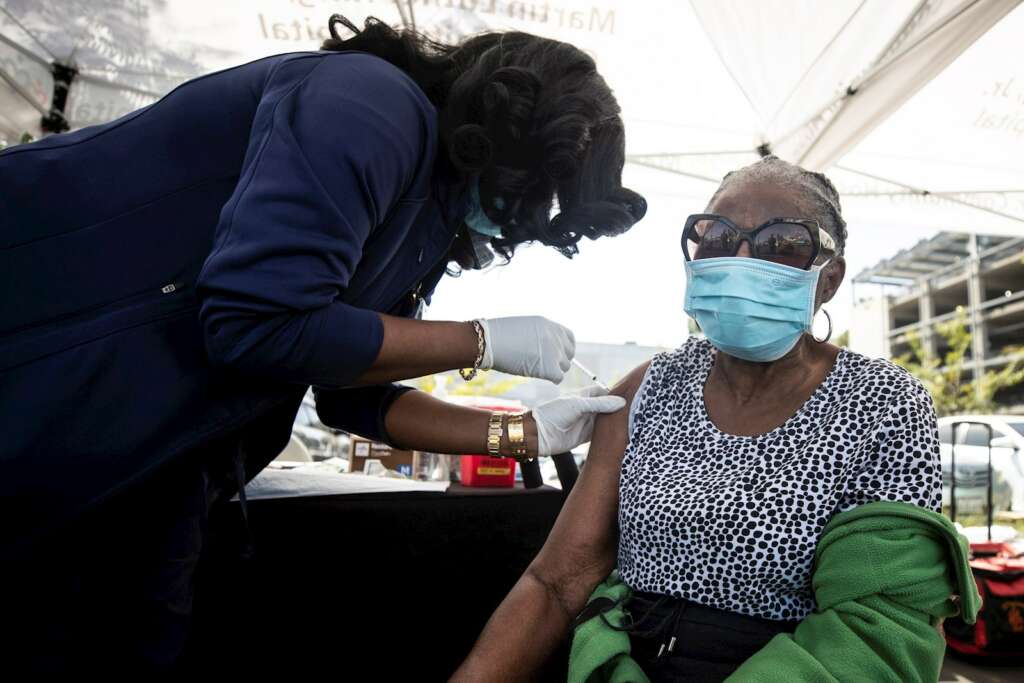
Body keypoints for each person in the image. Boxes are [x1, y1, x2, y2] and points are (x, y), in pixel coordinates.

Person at [1, 16, 645, 672]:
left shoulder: (426, 221)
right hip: (45, 388)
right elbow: (255, 318)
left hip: (158, 465)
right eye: (526, 202)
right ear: (501, 144)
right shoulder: (369, 108)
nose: (517, 230)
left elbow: (350, 396)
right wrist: (478, 341)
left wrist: (523, 434)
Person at [454, 156, 980, 682]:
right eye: (718, 237)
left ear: (829, 279)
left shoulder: (882, 403)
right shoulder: (653, 386)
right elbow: (556, 582)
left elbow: (874, 627)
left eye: (782, 243)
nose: (742, 258)